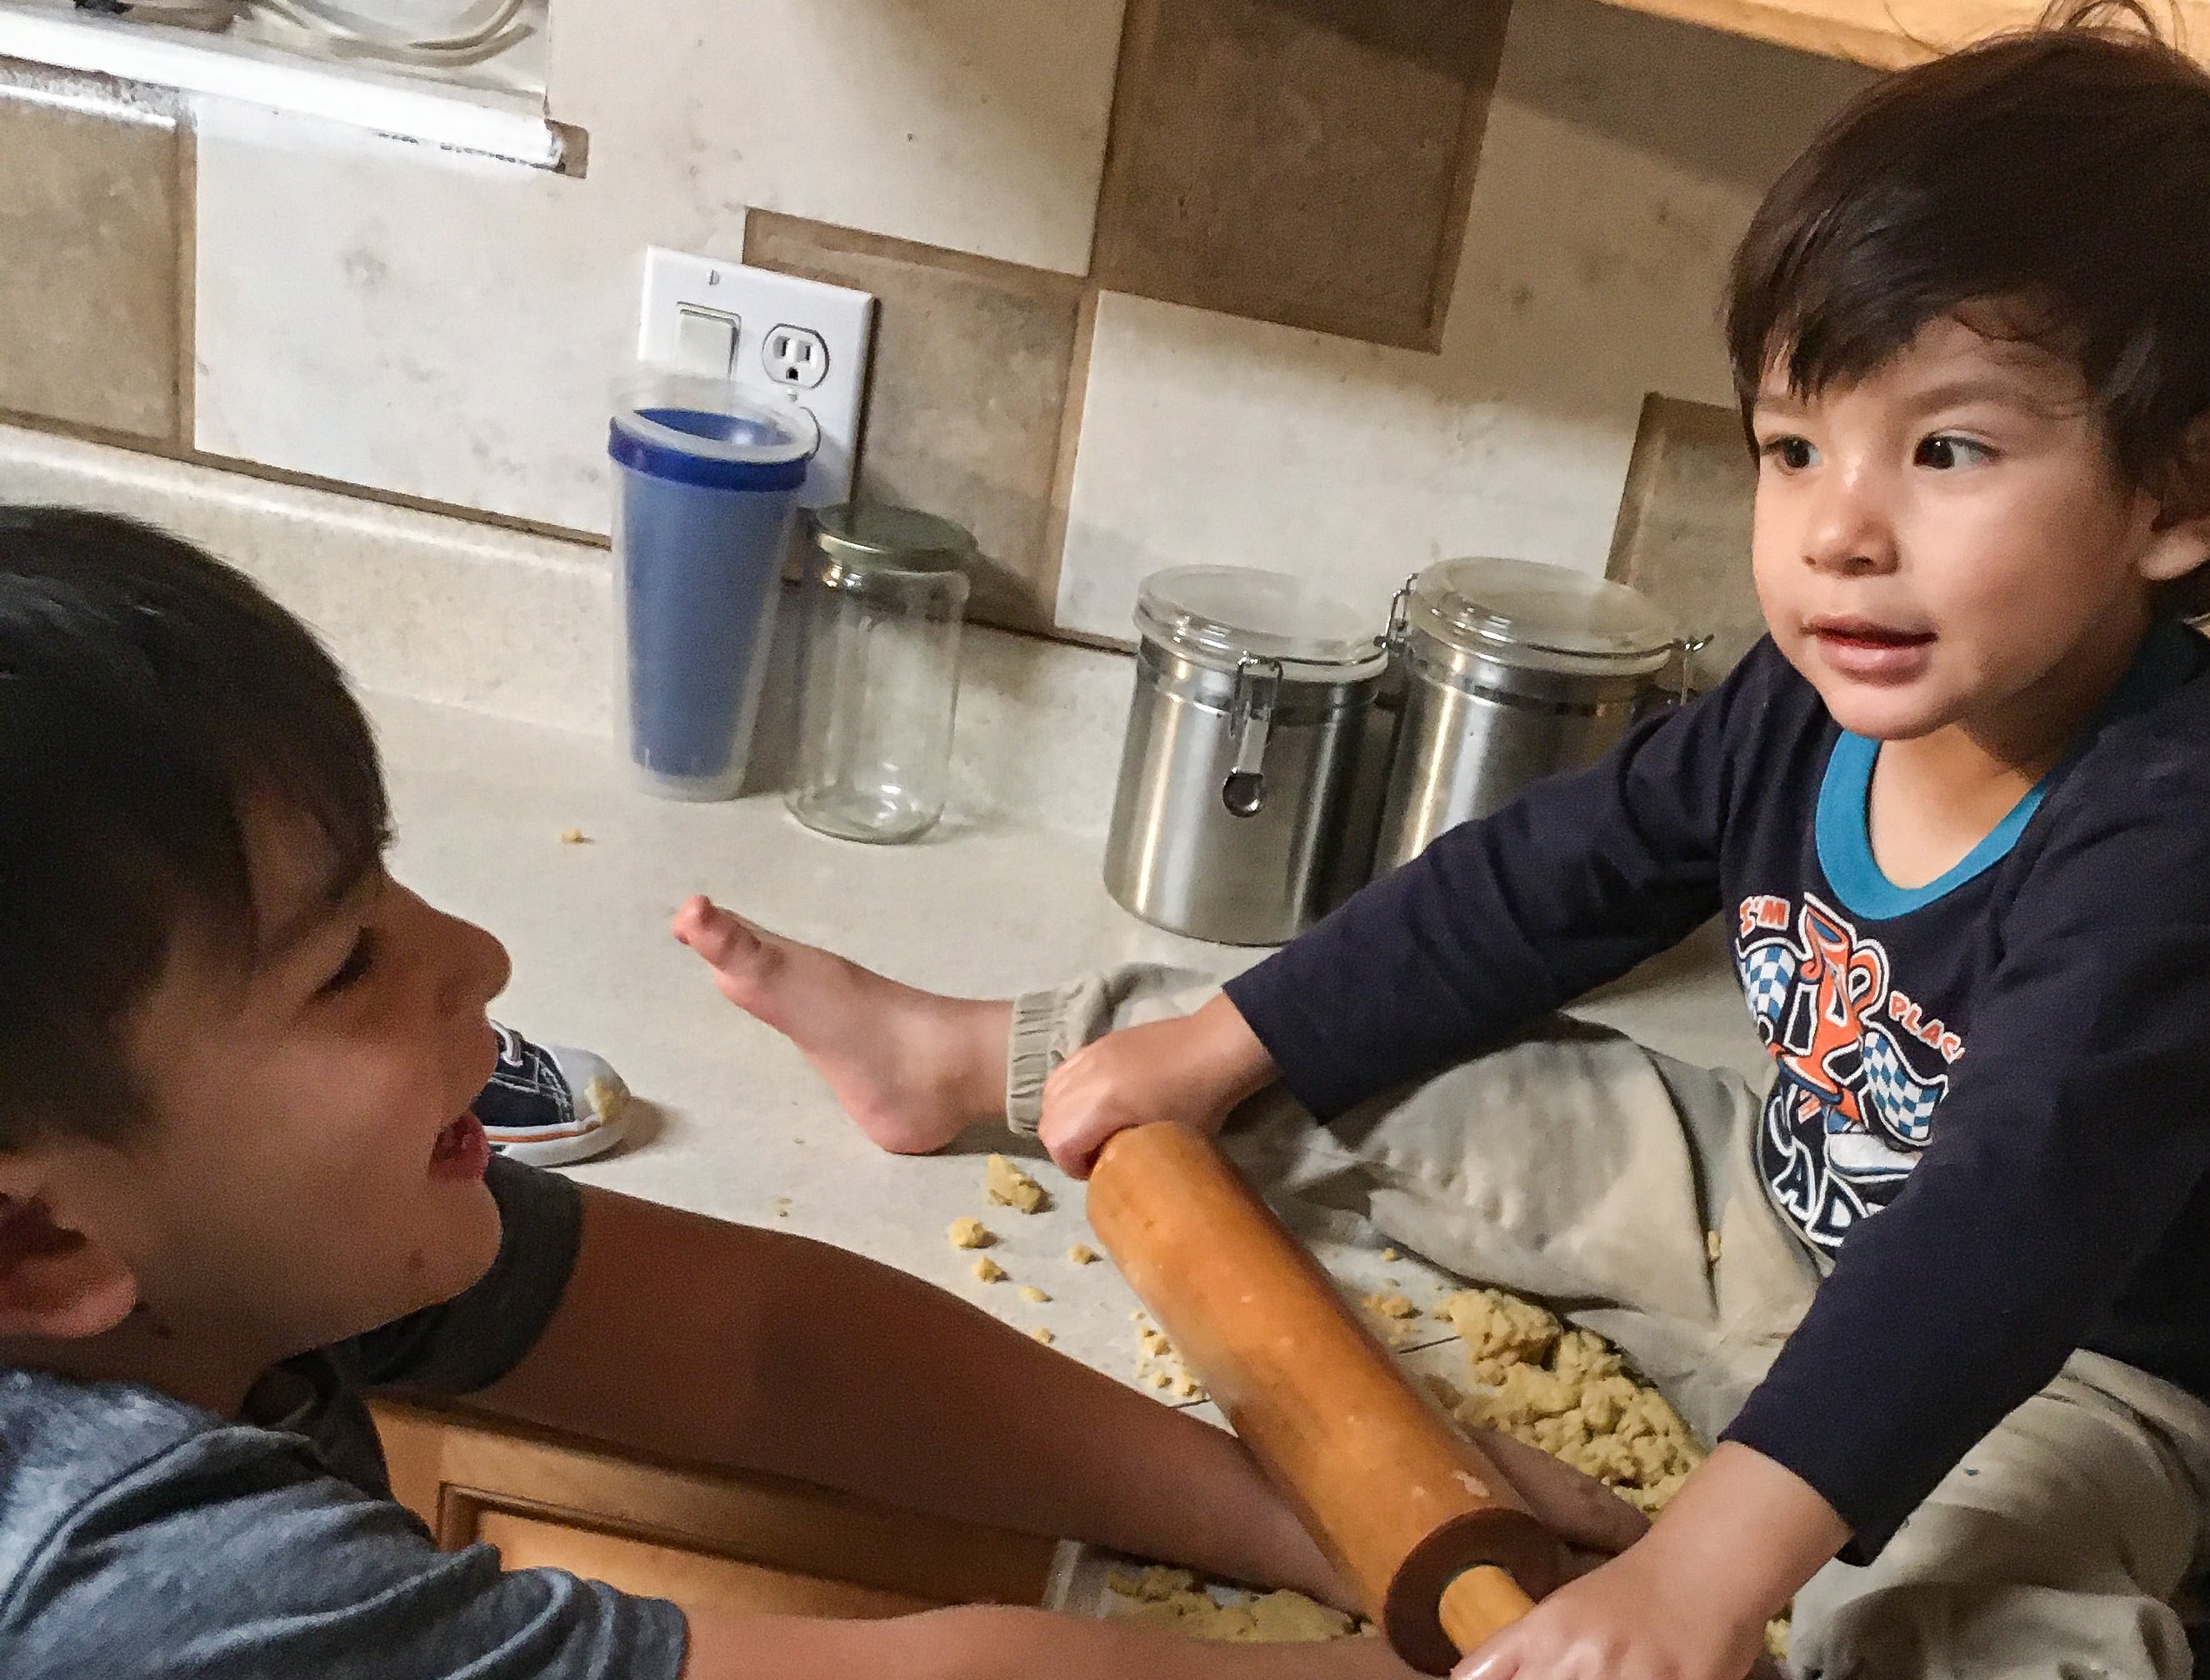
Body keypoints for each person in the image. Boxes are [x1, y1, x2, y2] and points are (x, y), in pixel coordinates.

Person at [674, 13, 2210, 1678]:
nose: (1839, 526)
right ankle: (978, 1054)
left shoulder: (2176, 854)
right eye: (1793, 445)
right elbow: (1544, 887)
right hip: (1771, 1216)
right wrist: (1220, 1041)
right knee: (1330, 1067)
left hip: (2066, 1376)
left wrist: (1698, 1575)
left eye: (1950, 448)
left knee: (1962, 1626)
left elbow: (1999, 1231)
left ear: (2182, 487)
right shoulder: (1810, 708)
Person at [0, 507, 1642, 1680]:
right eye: (342, 964)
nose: (480, 957)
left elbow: (755, 1351)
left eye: (397, 886)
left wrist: (1300, 1507)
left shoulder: (237, 1250)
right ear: (42, 1248)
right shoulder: (143, 1598)